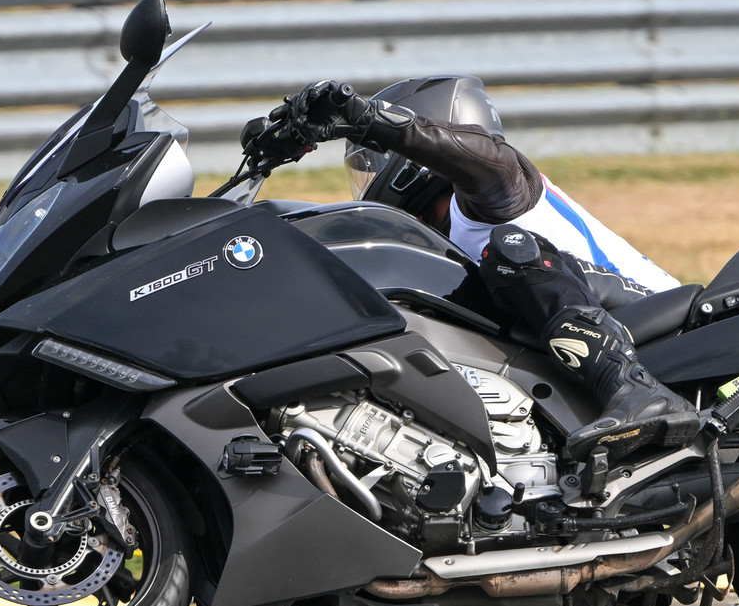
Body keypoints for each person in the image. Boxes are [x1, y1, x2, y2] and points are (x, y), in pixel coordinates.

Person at [273, 75, 699, 459]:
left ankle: (633, 387)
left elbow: (483, 157)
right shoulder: (441, 239)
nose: (369, 181)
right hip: (590, 327)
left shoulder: (493, 195)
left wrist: (372, 121)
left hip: (653, 321)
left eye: (374, 163)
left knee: (508, 255)